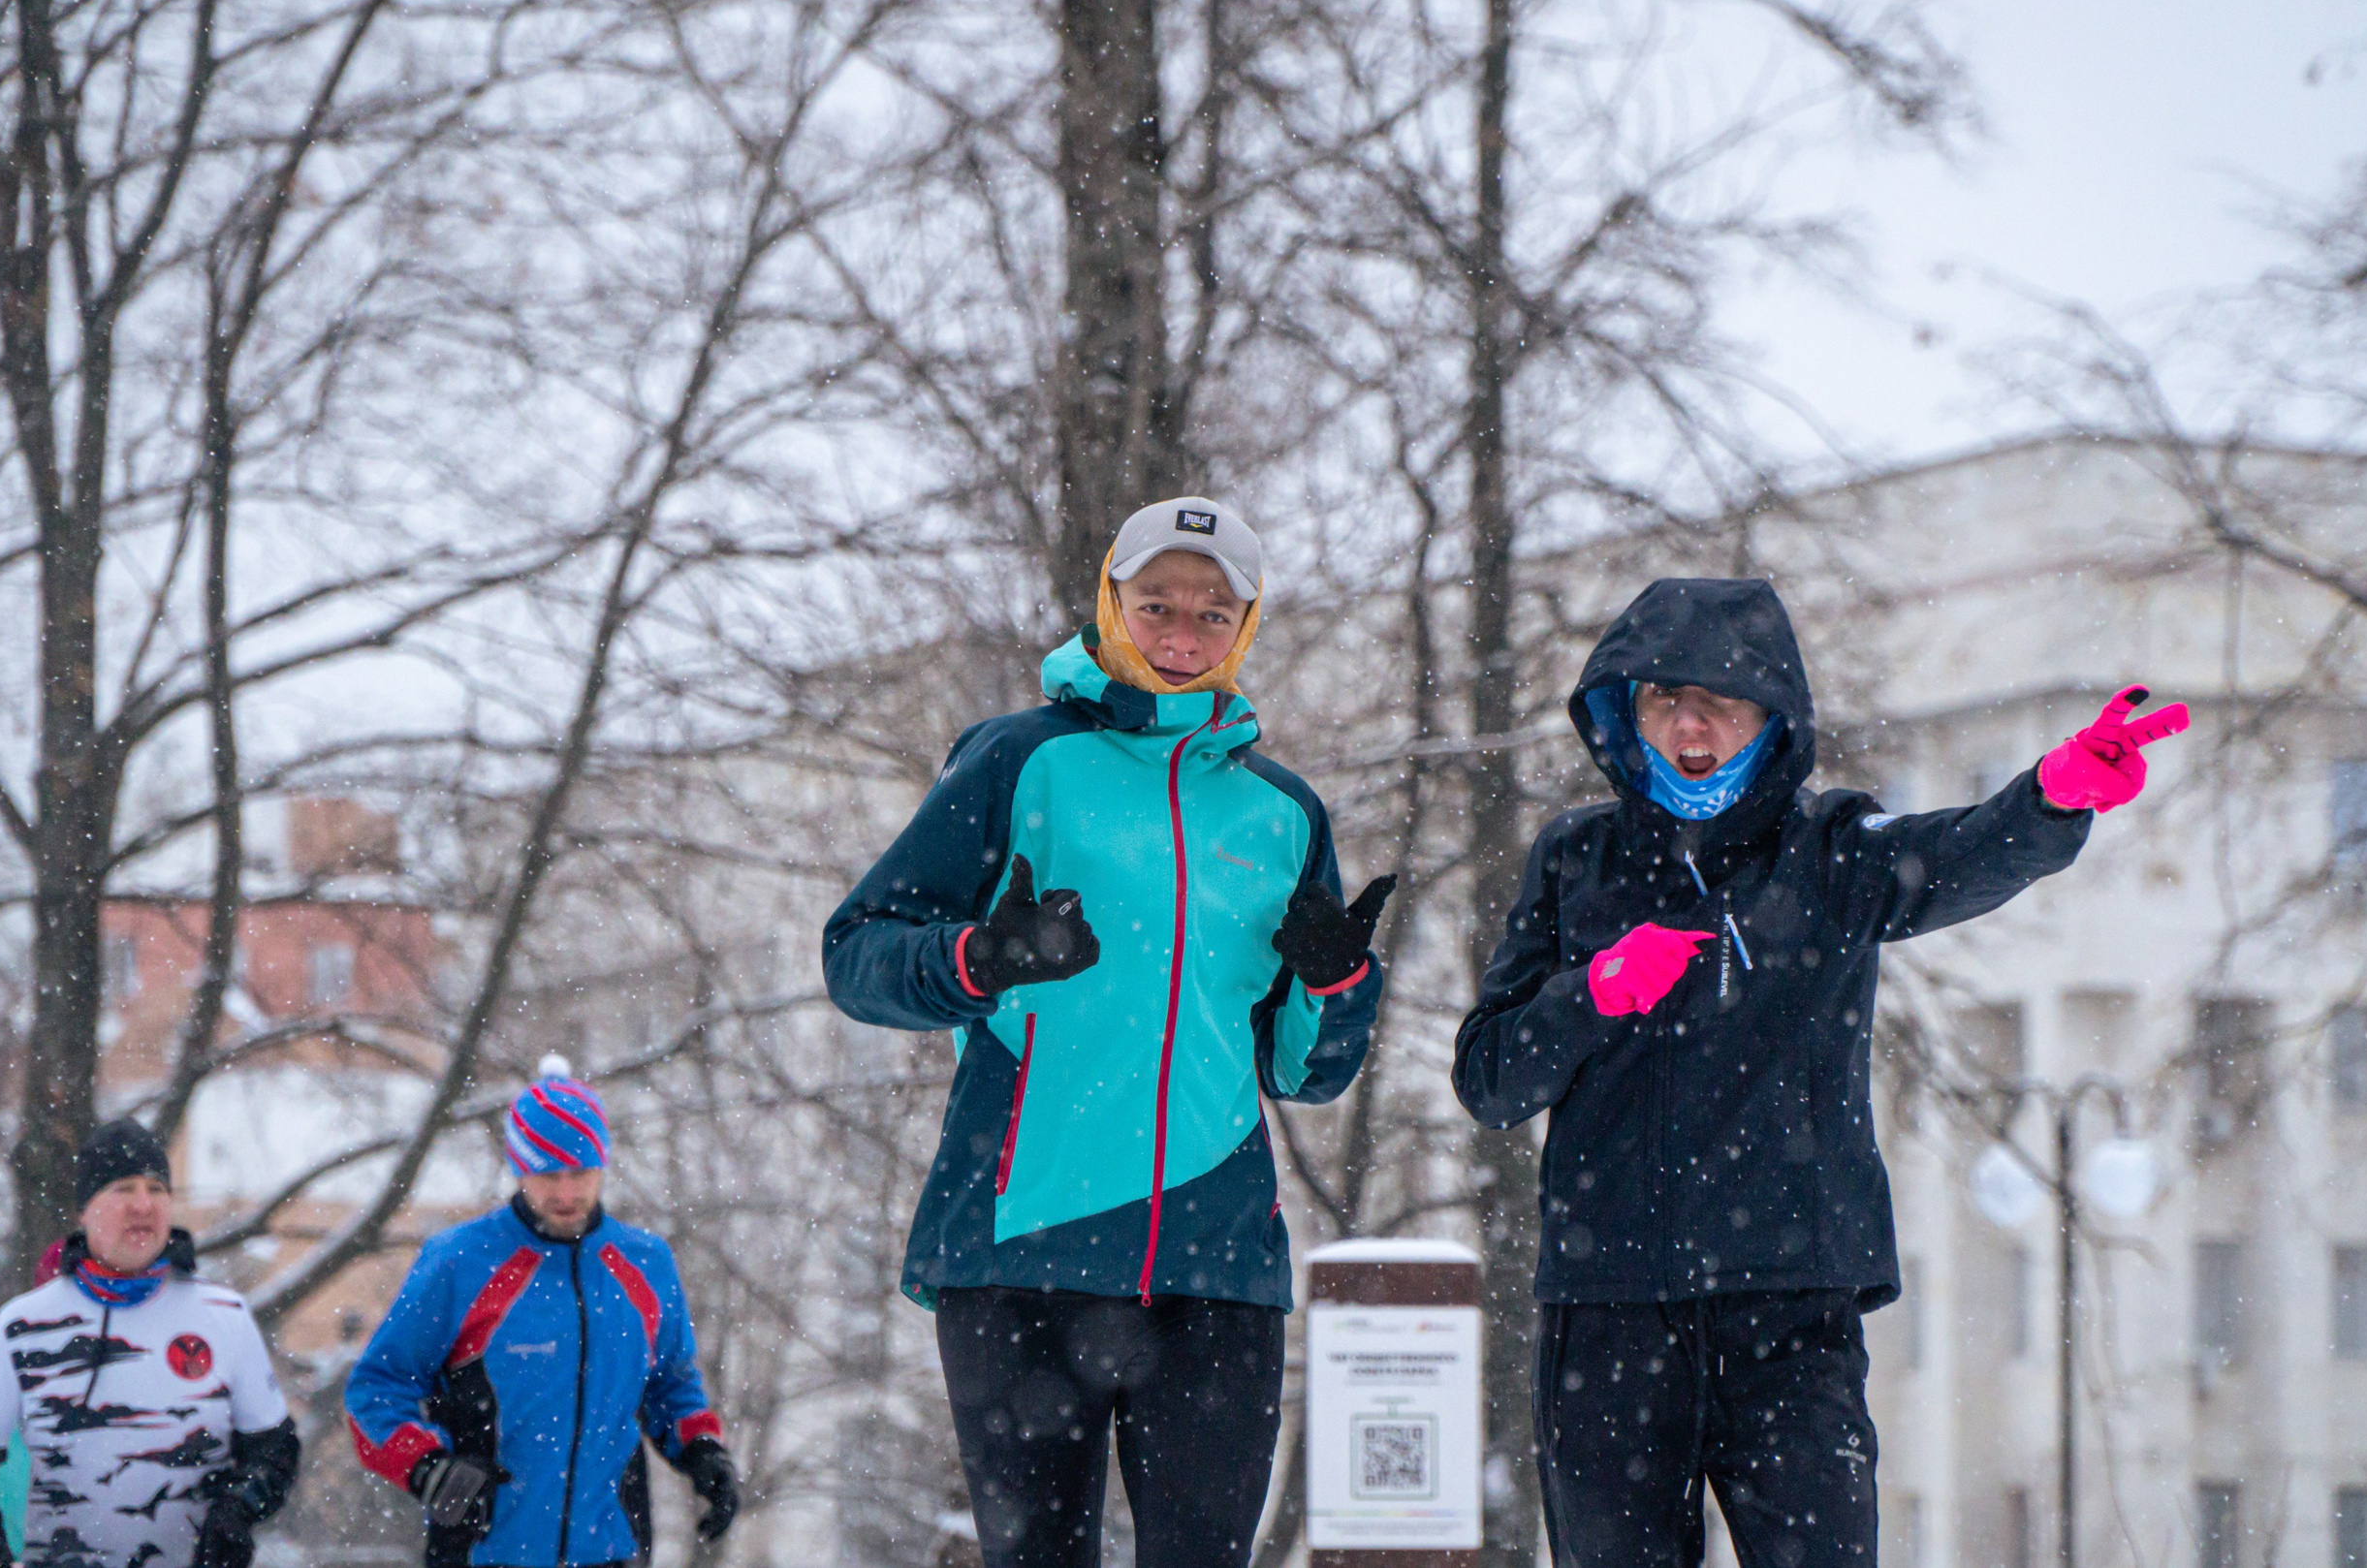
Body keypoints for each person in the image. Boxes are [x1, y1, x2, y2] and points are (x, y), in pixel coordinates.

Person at [1452, 577, 2189, 1568]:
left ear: (1773, 718)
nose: (1691, 722)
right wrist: (1594, 992)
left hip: (1790, 1306)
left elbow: (1956, 854)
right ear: (1623, 712)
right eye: (1663, 697)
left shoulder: (1830, 852)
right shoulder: (1575, 859)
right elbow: (1489, 1079)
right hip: (1610, 1308)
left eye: (1722, 699)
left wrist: (2050, 799)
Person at [823, 495, 1396, 1568]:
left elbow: (1306, 1071)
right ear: (1108, 604)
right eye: (1157, 605)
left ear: (1247, 626)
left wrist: (1339, 980)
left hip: (1213, 1265)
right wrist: (980, 960)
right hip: (1020, 1254)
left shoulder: (1282, 814)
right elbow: (855, 956)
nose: (1182, 637)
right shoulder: (1016, 762)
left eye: (1212, 614)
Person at [346, 1064, 738, 1568]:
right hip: (483, 1551)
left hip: (612, 1551)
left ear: (603, 1165)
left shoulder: (645, 1263)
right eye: (549, 1175)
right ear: (519, 1169)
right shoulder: (460, 1262)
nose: (567, 1194)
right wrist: (429, 1468)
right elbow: (374, 1391)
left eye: (581, 1172)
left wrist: (704, 1452)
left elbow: (670, 1384)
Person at [0, 1118, 300, 1568]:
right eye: (123, 1188)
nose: (143, 1204)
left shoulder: (224, 1317)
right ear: (84, 1210)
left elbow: (275, 1451)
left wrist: (237, 1510)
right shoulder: (24, 1323)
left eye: (157, 1188)